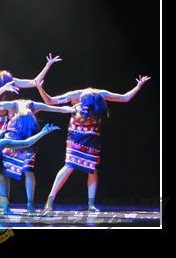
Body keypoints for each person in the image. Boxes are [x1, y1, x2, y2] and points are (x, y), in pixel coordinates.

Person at [36, 75, 151, 212]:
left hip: (92, 137)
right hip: (76, 136)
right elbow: (50, 101)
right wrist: (40, 87)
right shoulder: (74, 95)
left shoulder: (101, 95)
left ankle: (91, 204)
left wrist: (138, 86)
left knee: (92, 168)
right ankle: (50, 200)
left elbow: (124, 98)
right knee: (69, 165)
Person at [0, 88, 76, 213]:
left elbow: (55, 109)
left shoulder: (33, 106)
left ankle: (30, 204)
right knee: (2, 170)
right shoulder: (12, 105)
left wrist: (71, 109)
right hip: (13, 140)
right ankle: (5, 205)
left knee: (28, 170)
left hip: (29, 140)